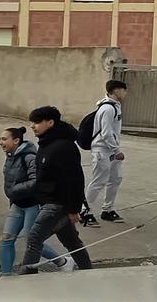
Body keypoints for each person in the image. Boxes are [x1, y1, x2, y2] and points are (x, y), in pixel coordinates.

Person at [16, 106, 93, 275]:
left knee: (34, 238)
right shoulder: (46, 143)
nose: (32, 126)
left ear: (50, 123)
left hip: (57, 203)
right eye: (32, 122)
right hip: (48, 202)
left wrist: (74, 209)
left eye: (37, 122)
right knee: (72, 242)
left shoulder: (64, 147)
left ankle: (25, 280)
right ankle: (90, 273)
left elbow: (75, 180)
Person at [0, 126, 69, 275]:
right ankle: (5, 276)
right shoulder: (10, 156)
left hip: (32, 205)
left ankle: (62, 261)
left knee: (31, 240)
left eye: (4, 139)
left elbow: (36, 181)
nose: (1, 142)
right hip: (17, 204)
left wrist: (14, 190)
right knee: (6, 240)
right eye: (1, 139)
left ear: (16, 140)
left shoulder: (29, 157)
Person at [81, 79, 127, 227]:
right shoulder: (107, 109)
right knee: (98, 181)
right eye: (123, 90)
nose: (125, 93)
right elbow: (106, 133)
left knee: (115, 179)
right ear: (116, 91)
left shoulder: (116, 106)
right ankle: (85, 212)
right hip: (102, 150)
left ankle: (107, 210)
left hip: (110, 150)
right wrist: (117, 150)